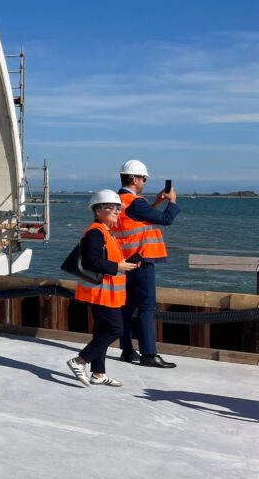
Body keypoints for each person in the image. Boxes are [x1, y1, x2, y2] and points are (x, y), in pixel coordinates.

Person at [66, 190, 139, 387]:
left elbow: (105, 259)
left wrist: (124, 263)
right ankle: (79, 361)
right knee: (116, 329)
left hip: (107, 292)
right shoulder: (96, 232)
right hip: (101, 293)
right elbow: (91, 261)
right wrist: (118, 267)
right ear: (98, 210)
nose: (116, 211)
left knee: (102, 331)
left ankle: (98, 373)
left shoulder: (106, 232)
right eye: (111, 208)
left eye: (118, 208)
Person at [114, 159, 180, 368]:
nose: (144, 182)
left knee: (127, 307)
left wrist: (157, 202)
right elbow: (166, 219)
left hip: (126, 261)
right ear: (134, 178)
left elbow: (136, 219)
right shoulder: (136, 202)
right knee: (146, 307)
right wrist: (172, 202)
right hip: (143, 260)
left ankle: (127, 350)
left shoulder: (118, 201)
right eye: (143, 178)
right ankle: (149, 354)